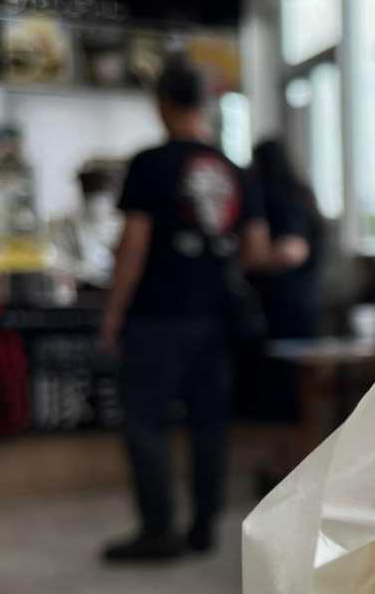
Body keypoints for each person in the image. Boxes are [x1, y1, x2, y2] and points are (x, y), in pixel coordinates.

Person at [98, 58, 269, 562]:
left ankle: (158, 531)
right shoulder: (236, 169)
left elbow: (134, 245)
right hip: (217, 318)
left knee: (145, 423)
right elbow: (256, 249)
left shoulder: (150, 163)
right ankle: (203, 527)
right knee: (209, 425)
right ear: (205, 102)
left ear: (162, 104)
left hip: (157, 314)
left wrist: (112, 315)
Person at [247, 137, 326, 486]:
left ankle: (287, 468)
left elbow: (293, 251)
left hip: (284, 310)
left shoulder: (282, 202)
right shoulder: (303, 197)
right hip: (303, 305)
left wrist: (252, 260)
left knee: (286, 391)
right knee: (293, 391)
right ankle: (290, 466)